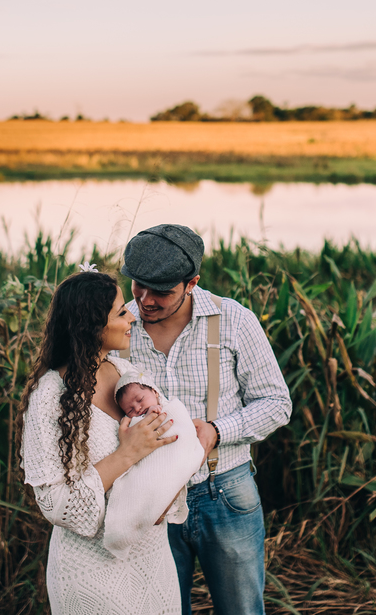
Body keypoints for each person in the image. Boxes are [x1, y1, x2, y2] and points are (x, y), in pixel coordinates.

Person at [120, 224, 293, 615]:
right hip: (150, 500)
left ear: (192, 282)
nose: (144, 300)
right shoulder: (119, 326)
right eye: (137, 286)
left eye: (161, 291)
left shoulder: (234, 319)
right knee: (161, 609)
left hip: (226, 492)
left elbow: (277, 402)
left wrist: (216, 431)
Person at [18, 270, 184, 614]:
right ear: (91, 324)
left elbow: (168, 447)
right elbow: (54, 503)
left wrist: (163, 499)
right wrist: (127, 453)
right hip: (92, 571)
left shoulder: (130, 374)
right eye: (121, 312)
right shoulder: (50, 396)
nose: (132, 318)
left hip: (153, 559)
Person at [103, 372, 205, 559]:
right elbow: (135, 434)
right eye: (130, 410)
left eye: (140, 399)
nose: (138, 408)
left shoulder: (168, 408)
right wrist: (136, 420)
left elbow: (179, 426)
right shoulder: (137, 420)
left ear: (154, 392)